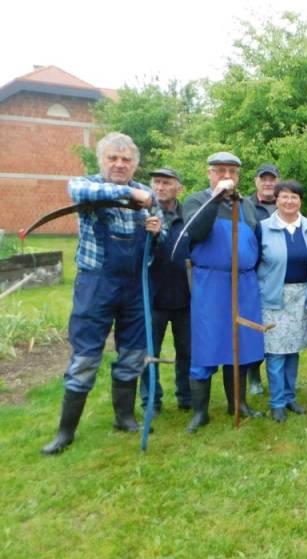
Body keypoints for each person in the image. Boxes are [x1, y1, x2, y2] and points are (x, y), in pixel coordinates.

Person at [41, 132, 163, 455]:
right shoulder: (88, 186)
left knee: (133, 353)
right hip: (96, 284)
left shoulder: (147, 195)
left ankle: (124, 417)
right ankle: (65, 432)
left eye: (126, 160)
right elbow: (77, 191)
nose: (120, 164)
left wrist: (156, 231)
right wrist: (130, 194)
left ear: (134, 164)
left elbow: (159, 233)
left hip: (135, 286)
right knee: (86, 356)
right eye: (113, 158)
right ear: (102, 161)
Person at [182, 152, 265, 434]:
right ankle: (200, 412)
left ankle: (237, 404)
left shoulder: (247, 206)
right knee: (205, 343)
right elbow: (197, 232)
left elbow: (256, 243)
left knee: (240, 343)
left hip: (244, 284)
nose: (227, 176)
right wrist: (216, 198)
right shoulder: (196, 201)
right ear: (210, 173)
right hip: (211, 284)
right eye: (220, 171)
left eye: (232, 171)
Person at [256, 180, 307, 423]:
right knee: (276, 352)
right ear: (276, 199)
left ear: (300, 201)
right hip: (274, 296)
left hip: (301, 296)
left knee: (293, 350)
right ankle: (277, 402)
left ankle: (290, 397)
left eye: (294, 197)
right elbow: (253, 263)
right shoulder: (263, 228)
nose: (289, 201)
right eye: (284, 196)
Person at [140, 167, 190, 414]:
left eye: (166, 183)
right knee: (149, 353)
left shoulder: (189, 216)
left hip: (185, 297)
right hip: (152, 297)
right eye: (156, 182)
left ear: (179, 188)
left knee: (187, 352)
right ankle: (151, 400)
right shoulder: (143, 215)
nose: (160, 187)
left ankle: (186, 397)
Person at [244, 162, 280, 396]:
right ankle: (254, 375)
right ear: (256, 181)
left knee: (278, 327)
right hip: (251, 273)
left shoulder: (284, 203)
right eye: (263, 178)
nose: (268, 183)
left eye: (272, 179)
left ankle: (279, 375)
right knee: (254, 328)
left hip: (275, 274)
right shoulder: (246, 205)